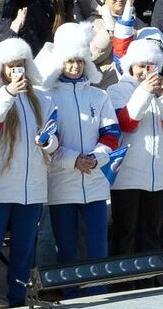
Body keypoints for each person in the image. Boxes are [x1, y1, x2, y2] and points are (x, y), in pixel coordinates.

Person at [0, 37, 49, 309]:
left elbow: (53, 136)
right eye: (11, 66)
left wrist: (48, 143)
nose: (17, 71)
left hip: (31, 186)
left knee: (24, 248)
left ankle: (19, 297)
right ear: (1, 69)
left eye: (21, 66)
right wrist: (8, 94)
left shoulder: (41, 98)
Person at [36, 23, 118, 271]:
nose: (75, 66)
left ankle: (97, 289)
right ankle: (71, 294)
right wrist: (74, 160)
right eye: (70, 61)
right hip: (61, 182)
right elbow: (47, 140)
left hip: (94, 180)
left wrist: (95, 158)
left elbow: (111, 133)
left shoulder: (99, 95)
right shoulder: (47, 96)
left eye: (80, 61)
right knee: (67, 247)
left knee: (97, 245)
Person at [107, 31, 163, 259]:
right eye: (141, 66)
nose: (146, 71)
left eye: (151, 66)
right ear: (131, 66)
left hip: (158, 174)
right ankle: (123, 282)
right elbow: (126, 123)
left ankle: (151, 278)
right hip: (128, 176)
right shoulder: (117, 90)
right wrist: (144, 92)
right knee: (125, 231)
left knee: (153, 231)